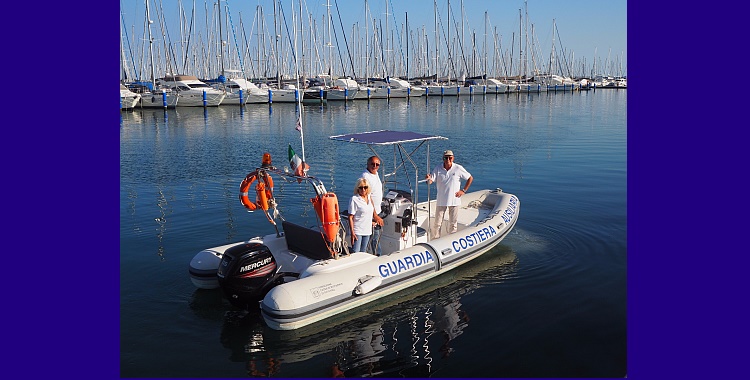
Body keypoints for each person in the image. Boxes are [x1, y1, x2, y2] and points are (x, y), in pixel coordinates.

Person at [425, 150, 473, 239]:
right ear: (443, 158)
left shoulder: (458, 168)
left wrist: (463, 190)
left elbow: (470, 178)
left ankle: (452, 240)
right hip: (441, 200)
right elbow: (431, 181)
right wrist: (428, 179)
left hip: (454, 200)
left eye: (450, 157)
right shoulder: (438, 168)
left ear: (453, 158)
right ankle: (435, 240)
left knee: (453, 224)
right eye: (446, 158)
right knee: (437, 223)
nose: (448, 159)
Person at [348, 178, 384, 253]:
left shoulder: (368, 197)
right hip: (358, 230)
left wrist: (374, 220)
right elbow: (350, 217)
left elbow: (370, 211)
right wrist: (352, 232)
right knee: (356, 251)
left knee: (363, 251)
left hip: (367, 230)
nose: (363, 189)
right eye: (361, 187)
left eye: (365, 187)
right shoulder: (354, 199)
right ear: (357, 188)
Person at [361, 156, 383, 255]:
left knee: (376, 237)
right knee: (374, 237)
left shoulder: (375, 174)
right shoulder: (366, 177)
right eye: (372, 164)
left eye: (377, 164)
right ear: (368, 164)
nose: (375, 166)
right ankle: (376, 256)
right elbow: (368, 197)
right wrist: (375, 216)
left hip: (377, 211)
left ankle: (374, 254)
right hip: (371, 213)